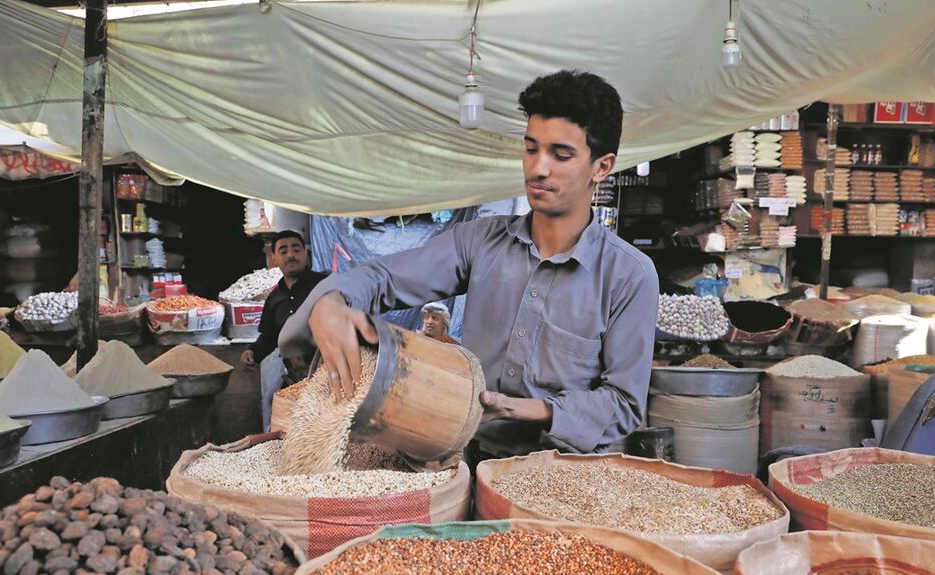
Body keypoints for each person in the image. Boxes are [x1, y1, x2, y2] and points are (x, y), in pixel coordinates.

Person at [279, 70, 659, 462]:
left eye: (560, 155)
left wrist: (529, 409)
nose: (538, 168)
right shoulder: (478, 241)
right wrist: (333, 300)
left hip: (566, 472)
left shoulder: (629, 275)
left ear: (602, 167)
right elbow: (384, 277)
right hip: (469, 458)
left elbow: (624, 405)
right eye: (531, 149)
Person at [241, 229, 328, 381]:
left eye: (296, 249)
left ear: (305, 254)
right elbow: (270, 337)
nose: (290, 255)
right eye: (283, 251)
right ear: (274, 258)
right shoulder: (274, 298)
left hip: (330, 373)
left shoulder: (325, 286)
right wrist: (253, 351)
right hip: (294, 378)